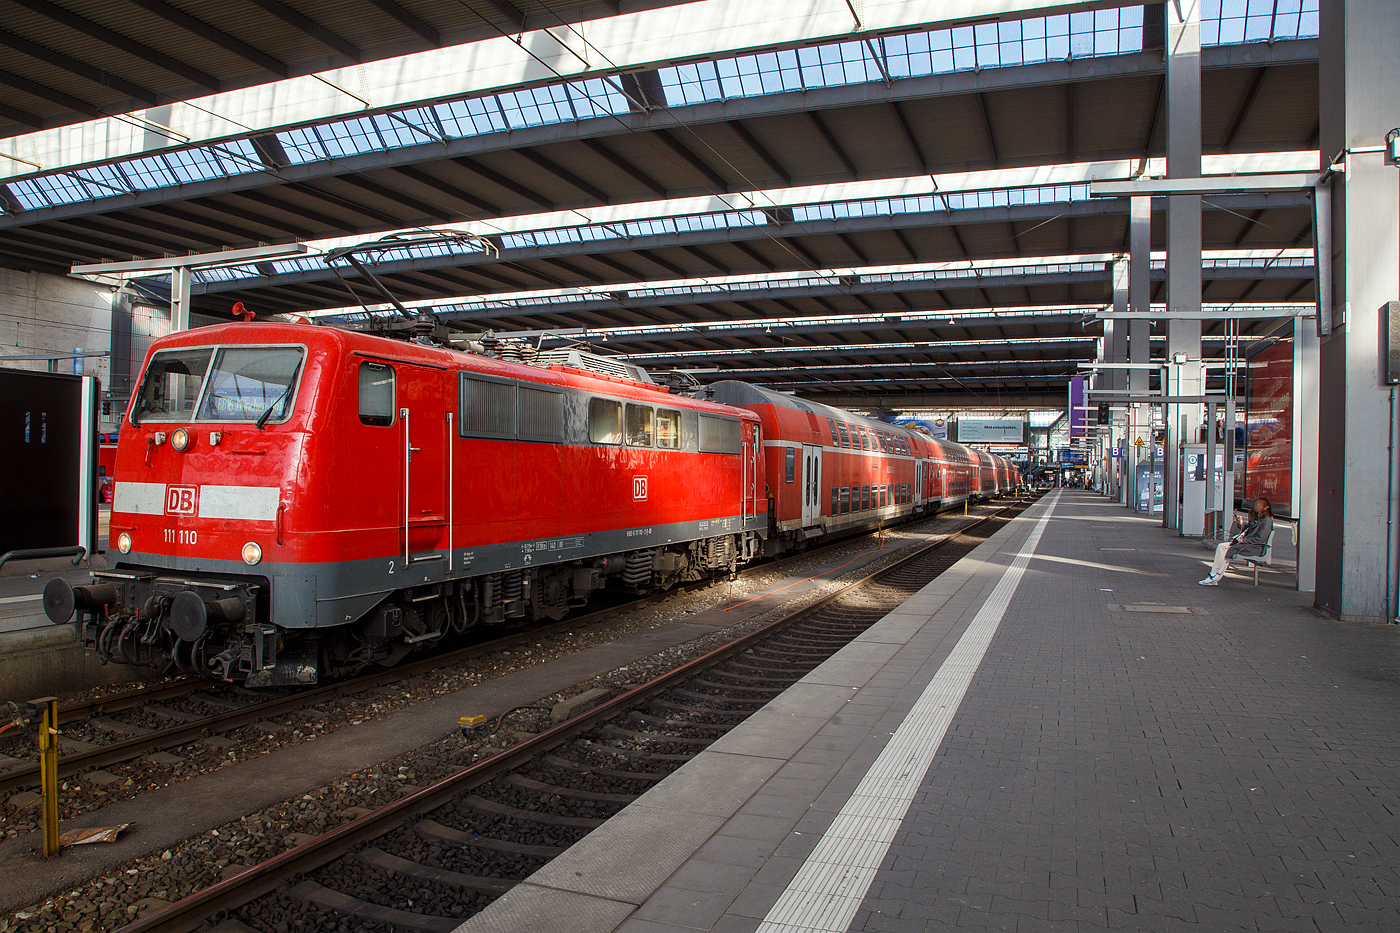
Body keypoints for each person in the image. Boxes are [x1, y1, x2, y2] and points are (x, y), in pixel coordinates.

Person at [1199, 497, 1273, 585]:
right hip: (1247, 544)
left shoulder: (1267, 521)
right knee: (1222, 547)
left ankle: (1215, 575)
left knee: (1224, 548)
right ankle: (1215, 575)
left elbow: (1259, 539)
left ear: (1266, 507)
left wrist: (1241, 541)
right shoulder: (1255, 518)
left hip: (1254, 547)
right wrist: (1241, 523)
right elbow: (1247, 530)